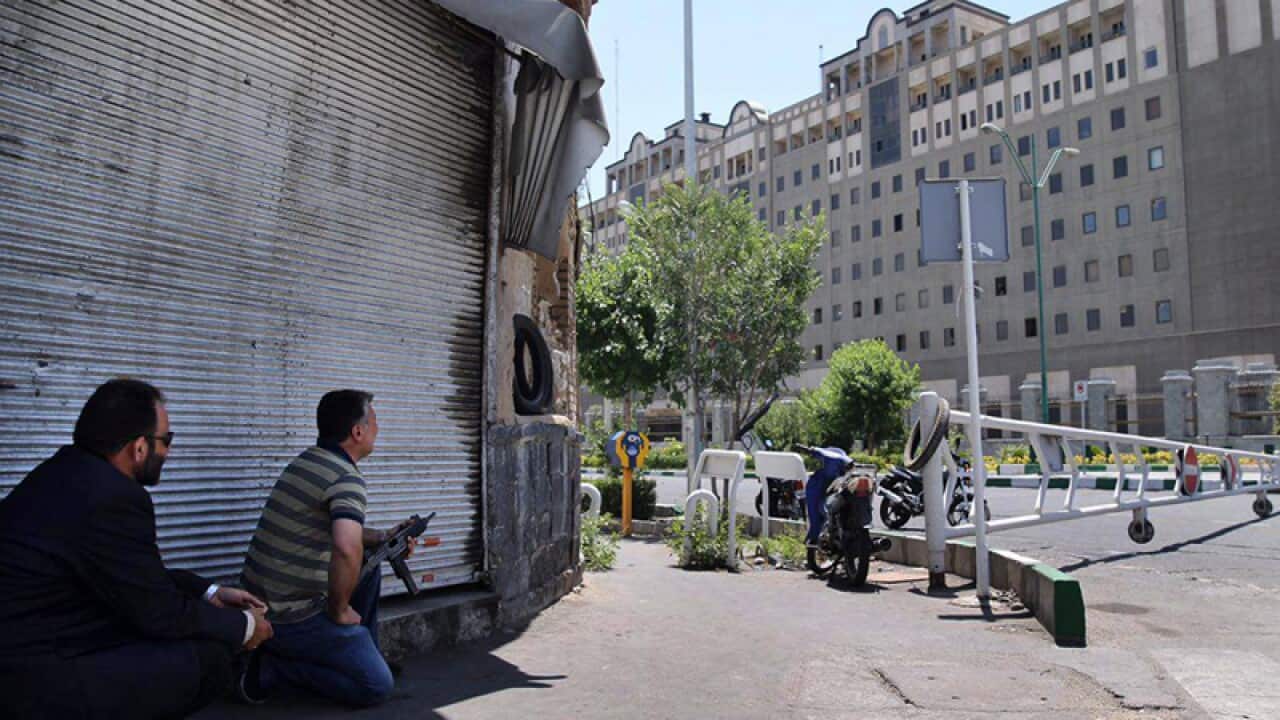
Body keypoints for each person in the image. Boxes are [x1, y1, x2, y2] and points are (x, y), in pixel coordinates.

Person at [0, 378, 274, 719]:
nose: (168, 452)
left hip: (32, 647)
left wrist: (211, 593)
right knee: (210, 657)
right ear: (139, 447)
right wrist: (244, 628)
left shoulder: (62, 473)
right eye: (166, 440)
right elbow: (159, 613)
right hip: (34, 677)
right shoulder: (112, 498)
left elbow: (133, 577)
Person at [237, 389, 418, 707]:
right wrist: (339, 610)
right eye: (374, 421)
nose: (378, 429)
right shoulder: (346, 478)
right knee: (376, 685)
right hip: (289, 618)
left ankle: (359, 654)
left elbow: (336, 532)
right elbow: (346, 548)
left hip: (259, 603)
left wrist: (383, 537)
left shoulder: (307, 462)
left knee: (370, 564)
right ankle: (273, 668)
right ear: (358, 431)